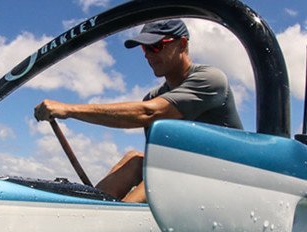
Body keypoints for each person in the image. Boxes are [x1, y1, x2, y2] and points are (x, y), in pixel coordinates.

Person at [34, 19, 243, 203]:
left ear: (183, 44)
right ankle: (92, 208)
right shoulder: (153, 96)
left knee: (162, 171)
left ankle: (110, 223)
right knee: (135, 159)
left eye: (157, 46)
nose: (149, 55)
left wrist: (69, 109)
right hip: (187, 186)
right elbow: (160, 156)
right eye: (145, 49)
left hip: (231, 184)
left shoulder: (211, 79)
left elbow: (149, 113)